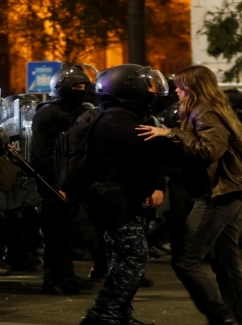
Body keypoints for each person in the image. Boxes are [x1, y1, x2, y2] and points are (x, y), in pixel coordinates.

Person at [137, 64, 242, 325]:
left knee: (186, 261)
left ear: (193, 88)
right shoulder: (206, 110)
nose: (176, 91)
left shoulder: (207, 111)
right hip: (224, 193)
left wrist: (171, 133)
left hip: (217, 195)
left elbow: (208, 150)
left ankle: (221, 316)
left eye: (180, 86)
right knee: (227, 268)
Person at [80, 63, 169, 325]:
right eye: (147, 86)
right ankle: (102, 315)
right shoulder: (116, 118)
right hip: (115, 202)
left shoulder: (121, 115)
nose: (152, 91)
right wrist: (177, 137)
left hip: (123, 199)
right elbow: (154, 149)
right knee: (134, 257)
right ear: (128, 88)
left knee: (122, 258)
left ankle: (120, 316)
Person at [31, 64, 98, 295]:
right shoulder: (48, 112)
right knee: (55, 233)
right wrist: (55, 184)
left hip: (72, 182)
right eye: (76, 86)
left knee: (67, 232)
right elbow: (41, 152)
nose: (81, 90)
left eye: (83, 86)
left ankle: (66, 273)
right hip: (55, 185)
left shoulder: (77, 111)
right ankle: (52, 278)